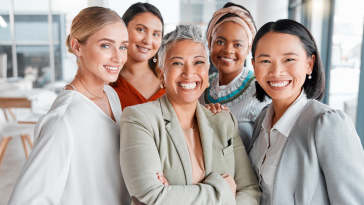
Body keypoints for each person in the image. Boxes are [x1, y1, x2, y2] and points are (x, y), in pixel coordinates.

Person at [119, 24, 261, 205]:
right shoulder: (139, 119)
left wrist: (173, 195)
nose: (189, 73)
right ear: (162, 76)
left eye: (198, 62)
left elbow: (250, 190)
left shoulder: (224, 121)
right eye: (177, 63)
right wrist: (222, 190)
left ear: (208, 71)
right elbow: (152, 195)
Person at [8, 7, 131, 205]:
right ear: (77, 47)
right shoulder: (63, 120)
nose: (118, 57)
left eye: (123, 47)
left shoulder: (110, 95)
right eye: (106, 46)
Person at [248, 19, 364, 205]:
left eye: (289, 59)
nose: (277, 71)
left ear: (310, 63)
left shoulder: (328, 124)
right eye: (265, 60)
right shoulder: (262, 118)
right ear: (254, 66)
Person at [199, 2, 270, 149]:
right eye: (220, 42)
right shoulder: (202, 86)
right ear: (209, 43)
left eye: (237, 45)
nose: (228, 50)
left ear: (249, 48)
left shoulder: (260, 91)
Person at [111, 3, 165, 110]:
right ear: (123, 30)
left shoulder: (170, 80)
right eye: (141, 30)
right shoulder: (106, 83)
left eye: (156, 34)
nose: (148, 41)